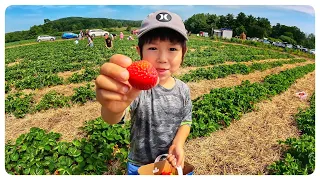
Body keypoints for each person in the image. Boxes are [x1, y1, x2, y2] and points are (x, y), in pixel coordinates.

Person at [95, 10, 191, 175]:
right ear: (139, 51)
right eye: (153, 48)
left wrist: (178, 143)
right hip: (139, 165)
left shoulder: (183, 89)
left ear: (184, 53)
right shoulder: (136, 90)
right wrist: (113, 108)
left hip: (171, 162)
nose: (162, 58)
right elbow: (113, 117)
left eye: (172, 49)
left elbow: (186, 120)